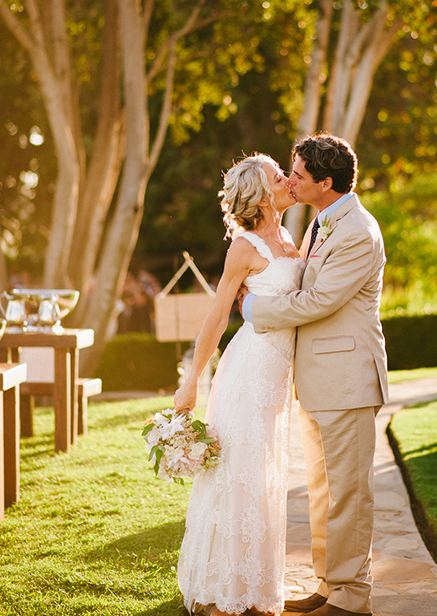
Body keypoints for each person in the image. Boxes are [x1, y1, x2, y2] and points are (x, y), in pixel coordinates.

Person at [241, 134, 389, 616]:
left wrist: (256, 308)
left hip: (347, 381)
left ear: (326, 183)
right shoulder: (320, 225)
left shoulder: (357, 233)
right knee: (325, 492)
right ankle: (329, 585)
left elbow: (319, 301)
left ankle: (352, 599)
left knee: (349, 494)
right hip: (318, 381)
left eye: (300, 175)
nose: (291, 179)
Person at [173, 154, 303, 616]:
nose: (289, 179)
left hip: (276, 377)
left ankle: (253, 586)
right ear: (261, 193)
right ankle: (221, 590)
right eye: (278, 175)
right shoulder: (244, 247)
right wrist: (191, 383)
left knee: (263, 476)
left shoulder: (290, 236)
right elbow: (216, 316)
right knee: (237, 476)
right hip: (247, 371)